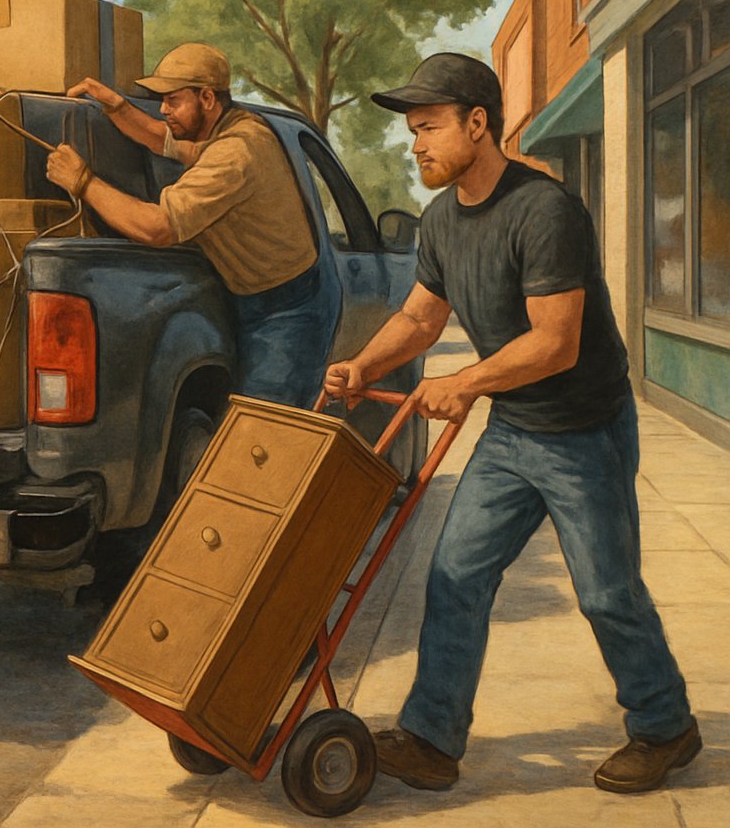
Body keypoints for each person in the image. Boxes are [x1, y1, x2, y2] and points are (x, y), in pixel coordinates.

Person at [324, 52, 698, 794]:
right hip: (514, 433)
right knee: (457, 573)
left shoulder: (545, 209)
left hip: (583, 429)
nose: (417, 144)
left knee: (606, 591)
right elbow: (420, 316)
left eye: (428, 127)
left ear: (477, 123)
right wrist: (363, 367)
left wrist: (466, 382)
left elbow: (555, 342)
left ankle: (665, 727)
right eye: (413, 131)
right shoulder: (439, 220)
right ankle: (432, 737)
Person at [46, 42, 337, 407]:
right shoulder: (225, 130)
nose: (164, 110)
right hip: (252, 300)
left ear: (207, 98)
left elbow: (158, 228)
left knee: (263, 433)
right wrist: (117, 107)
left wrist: (82, 181)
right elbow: (163, 141)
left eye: (173, 101)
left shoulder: (236, 151)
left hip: (287, 311)